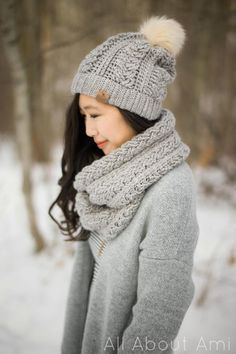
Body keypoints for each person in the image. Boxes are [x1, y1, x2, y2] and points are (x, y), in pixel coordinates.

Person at [49, 15, 199, 354]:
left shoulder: (170, 189)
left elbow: (161, 310)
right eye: (84, 115)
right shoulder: (104, 172)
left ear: (134, 109)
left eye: (96, 114)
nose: (88, 130)